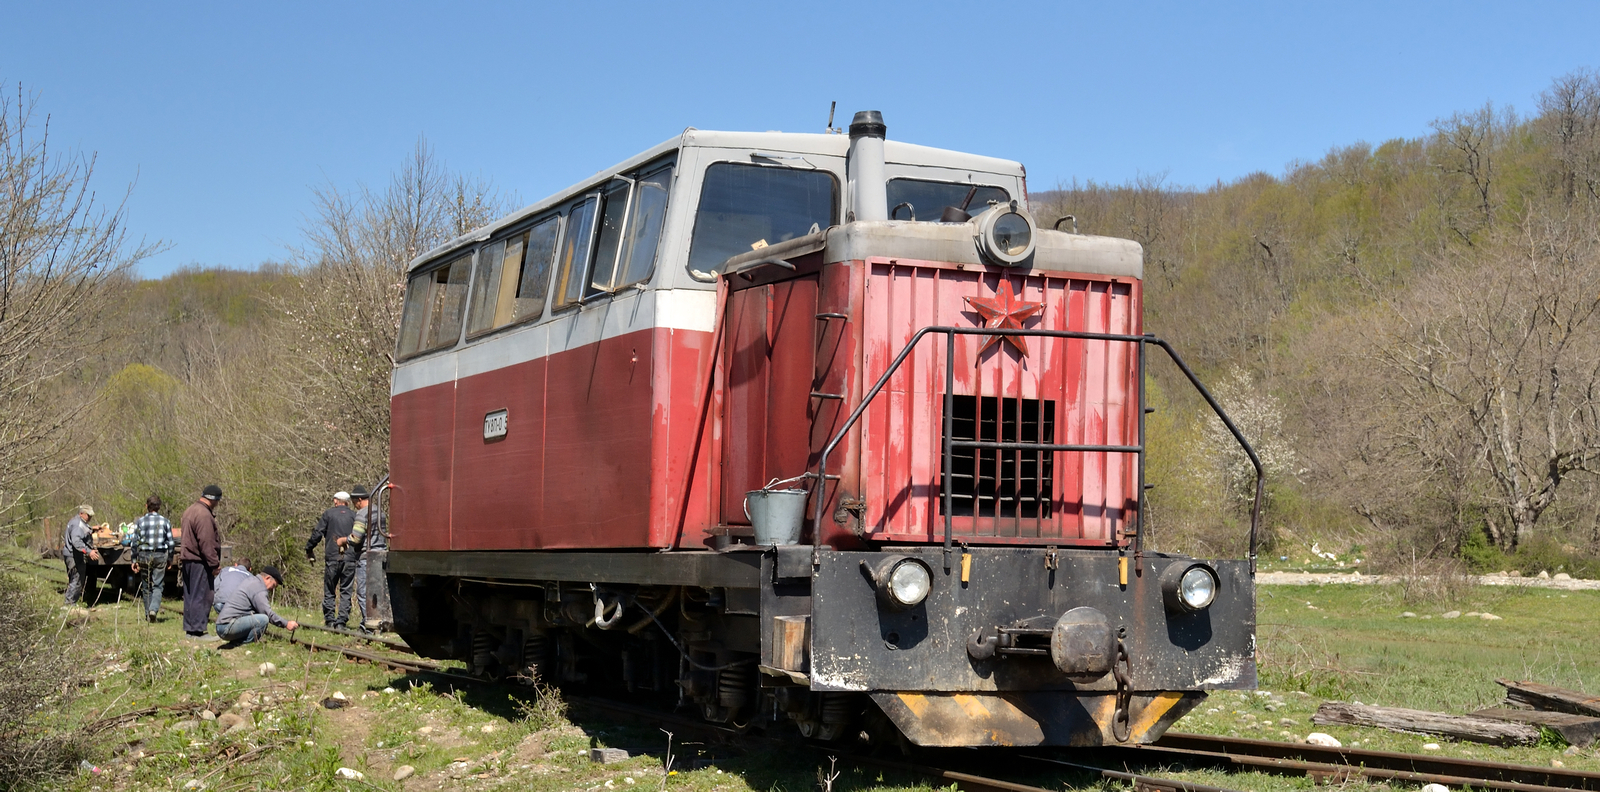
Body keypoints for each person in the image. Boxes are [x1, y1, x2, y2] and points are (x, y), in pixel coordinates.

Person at [305, 491, 357, 628]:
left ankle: (330, 619)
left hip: (333, 557)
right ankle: (341, 621)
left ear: (336, 501)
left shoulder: (328, 514)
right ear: (348, 502)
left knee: (330, 589)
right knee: (346, 591)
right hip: (350, 558)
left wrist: (309, 548)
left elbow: (317, 533)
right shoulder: (354, 516)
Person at [179, 485, 224, 639]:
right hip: (199, 561)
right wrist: (214, 563)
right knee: (202, 595)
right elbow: (206, 542)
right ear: (214, 499)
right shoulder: (204, 514)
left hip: (188, 559)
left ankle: (191, 630)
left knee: (190, 595)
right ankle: (198, 631)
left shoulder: (190, 510)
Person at [214, 565, 298, 645]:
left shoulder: (252, 581)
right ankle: (242, 643)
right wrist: (286, 624)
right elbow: (267, 613)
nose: (272, 589)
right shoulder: (258, 588)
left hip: (223, 625)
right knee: (263, 619)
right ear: (267, 578)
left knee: (259, 616)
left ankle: (239, 641)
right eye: (273, 585)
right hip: (227, 627)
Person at [126, 495, 175, 622]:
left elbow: (135, 542)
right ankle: (153, 609)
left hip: (144, 555)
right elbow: (170, 542)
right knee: (158, 585)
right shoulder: (165, 521)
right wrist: (170, 558)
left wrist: (134, 560)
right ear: (159, 507)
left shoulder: (140, 522)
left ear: (146, 506)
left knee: (146, 585)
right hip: (160, 555)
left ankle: (148, 614)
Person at [346, 485, 386, 629]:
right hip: (381, 555)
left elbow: (356, 538)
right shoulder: (380, 512)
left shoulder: (363, 514)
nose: (355, 506)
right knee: (378, 593)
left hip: (366, 557)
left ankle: (368, 625)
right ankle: (379, 622)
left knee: (363, 592)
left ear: (360, 499)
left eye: (355, 502)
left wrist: (344, 540)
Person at [61, 505, 101, 606]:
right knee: (76, 579)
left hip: (71, 554)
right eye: (88, 515)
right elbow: (76, 541)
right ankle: (69, 603)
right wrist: (89, 551)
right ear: (81, 513)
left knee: (75, 579)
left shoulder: (77, 521)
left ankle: (71, 602)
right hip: (73, 555)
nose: (90, 517)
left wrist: (92, 529)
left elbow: (82, 531)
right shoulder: (78, 525)